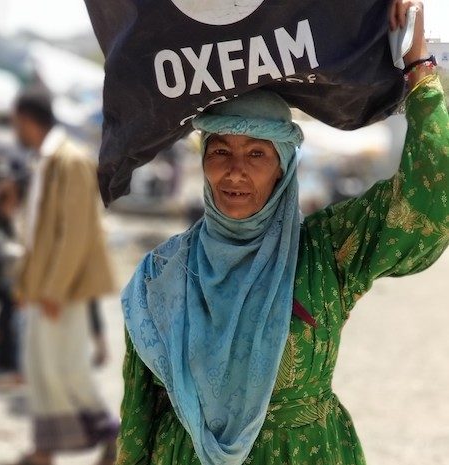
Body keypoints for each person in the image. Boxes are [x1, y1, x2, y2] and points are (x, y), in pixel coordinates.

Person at [117, 1, 448, 464]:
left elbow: (429, 199)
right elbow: (138, 418)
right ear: (203, 161)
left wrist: (417, 66)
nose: (235, 173)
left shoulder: (327, 250)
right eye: (220, 153)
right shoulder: (160, 276)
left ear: (284, 168)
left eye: (256, 154)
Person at [9, 88, 119, 465]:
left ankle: (112, 435)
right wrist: (27, 286)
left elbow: (75, 234)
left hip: (63, 290)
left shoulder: (69, 161)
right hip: (44, 288)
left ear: (26, 120)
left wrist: (54, 290)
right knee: (42, 371)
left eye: (16, 123)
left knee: (67, 372)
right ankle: (44, 450)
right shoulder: (44, 161)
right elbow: (35, 231)